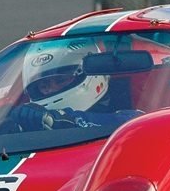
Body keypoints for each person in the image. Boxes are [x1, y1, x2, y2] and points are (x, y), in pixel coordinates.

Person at [11, 39, 141, 131]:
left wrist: (67, 120)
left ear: (91, 75)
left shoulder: (127, 117)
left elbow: (135, 123)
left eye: (61, 80)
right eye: (43, 86)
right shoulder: (32, 120)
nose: (51, 90)